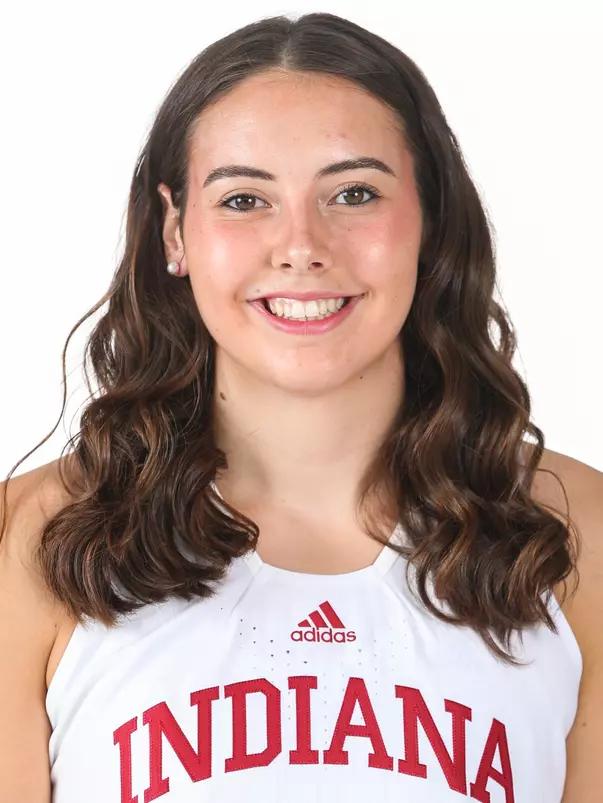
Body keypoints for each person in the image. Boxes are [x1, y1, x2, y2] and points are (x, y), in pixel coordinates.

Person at [0, 10, 601, 803]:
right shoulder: (36, 537)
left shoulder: (571, 526)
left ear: (430, 219)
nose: (301, 244)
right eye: (244, 199)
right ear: (176, 232)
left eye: (354, 192)